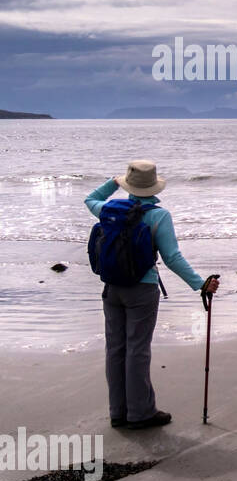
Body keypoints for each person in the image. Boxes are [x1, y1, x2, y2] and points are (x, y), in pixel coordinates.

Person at [85, 160, 219, 429]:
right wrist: (200, 285)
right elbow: (171, 258)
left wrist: (114, 181)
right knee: (137, 350)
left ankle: (118, 413)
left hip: (111, 288)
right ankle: (140, 413)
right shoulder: (159, 216)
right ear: (153, 186)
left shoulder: (108, 210)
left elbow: (90, 198)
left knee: (115, 350)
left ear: (128, 184)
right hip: (142, 290)